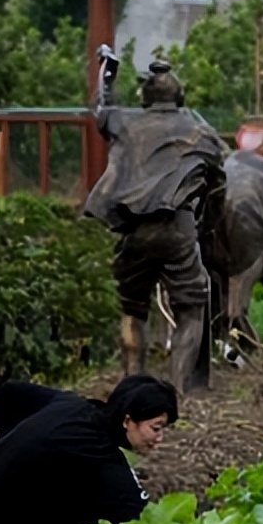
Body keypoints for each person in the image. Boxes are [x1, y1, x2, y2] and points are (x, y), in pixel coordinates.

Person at [83, 55, 227, 391]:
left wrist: (108, 75)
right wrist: (208, 227)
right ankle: (177, 389)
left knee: (132, 307)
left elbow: (101, 108)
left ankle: (132, 383)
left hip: (133, 229)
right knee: (191, 306)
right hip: (178, 227)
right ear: (180, 97)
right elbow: (217, 188)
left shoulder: (124, 123)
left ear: (145, 99)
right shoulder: (202, 133)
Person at [0, 375, 178, 524]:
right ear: (127, 421)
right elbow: (137, 518)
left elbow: (10, 392)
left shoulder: (70, 403)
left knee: (86, 487)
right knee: (106, 519)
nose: (160, 439)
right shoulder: (100, 453)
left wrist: (10, 440)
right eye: (156, 428)